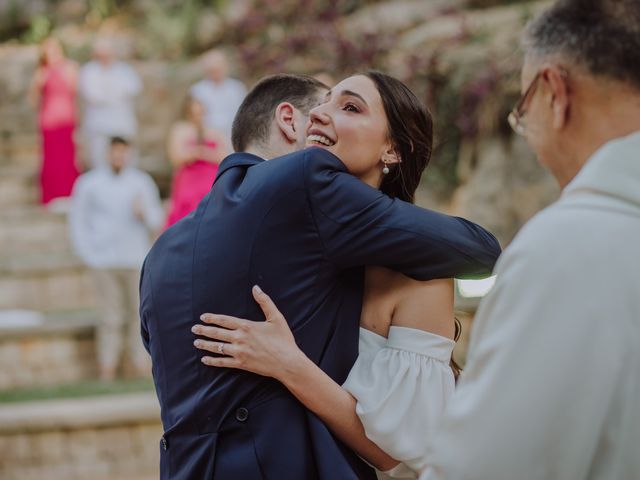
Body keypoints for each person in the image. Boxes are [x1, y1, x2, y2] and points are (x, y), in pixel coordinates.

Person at [140, 72, 501, 479]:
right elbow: (482, 249)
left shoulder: (160, 254)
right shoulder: (305, 188)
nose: (322, 117)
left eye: (348, 107)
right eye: (323, 104)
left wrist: (289, 364)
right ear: (289, 121)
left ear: (393, 149)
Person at [70, 137, 164, 381]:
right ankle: (107, 368)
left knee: (137, 315)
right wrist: (88, 254)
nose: (119, 157)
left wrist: (143, 213)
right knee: (110, 316)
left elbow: (157, 219)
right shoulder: (89, 183)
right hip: (103, 259)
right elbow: (78, 221)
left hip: (135, 258)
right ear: (107, 153)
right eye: (115, 152)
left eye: (123, 152)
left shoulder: (141, 182)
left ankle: (140, 366)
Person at [29, 37, 80, 208]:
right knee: (52, 159)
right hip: (49, 119)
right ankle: (52, 196)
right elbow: (33, 98)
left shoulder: (70, 68)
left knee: (67, 156)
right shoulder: (41, 72)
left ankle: (69, 193)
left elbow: (75, 92)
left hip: (66, 117)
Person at [164, 95, 227, 227]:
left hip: (211, 182)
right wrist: (195, 153)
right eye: (194, 113)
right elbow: (176, 157)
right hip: (188, 182)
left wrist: (205, 153)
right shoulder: (180, 129)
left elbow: (225, 156)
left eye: (201, 113)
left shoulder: (214, 130)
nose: (198, 117)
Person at [79, 38, 142, 169]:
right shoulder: (89, 71)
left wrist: (110, 94)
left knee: (127, 159)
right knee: (99, 159)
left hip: (122, 124)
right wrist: (116, 94)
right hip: (99, 126)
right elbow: (94, 96)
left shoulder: (124, 70)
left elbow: (134, 88)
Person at [189, 49, 247, 148]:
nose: (215, 72)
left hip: (234, 137)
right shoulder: (197, 90)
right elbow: (194, 118)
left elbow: (244, 114)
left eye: (218, 68)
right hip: (208, 140)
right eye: (211, 69)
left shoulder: (237, 88)